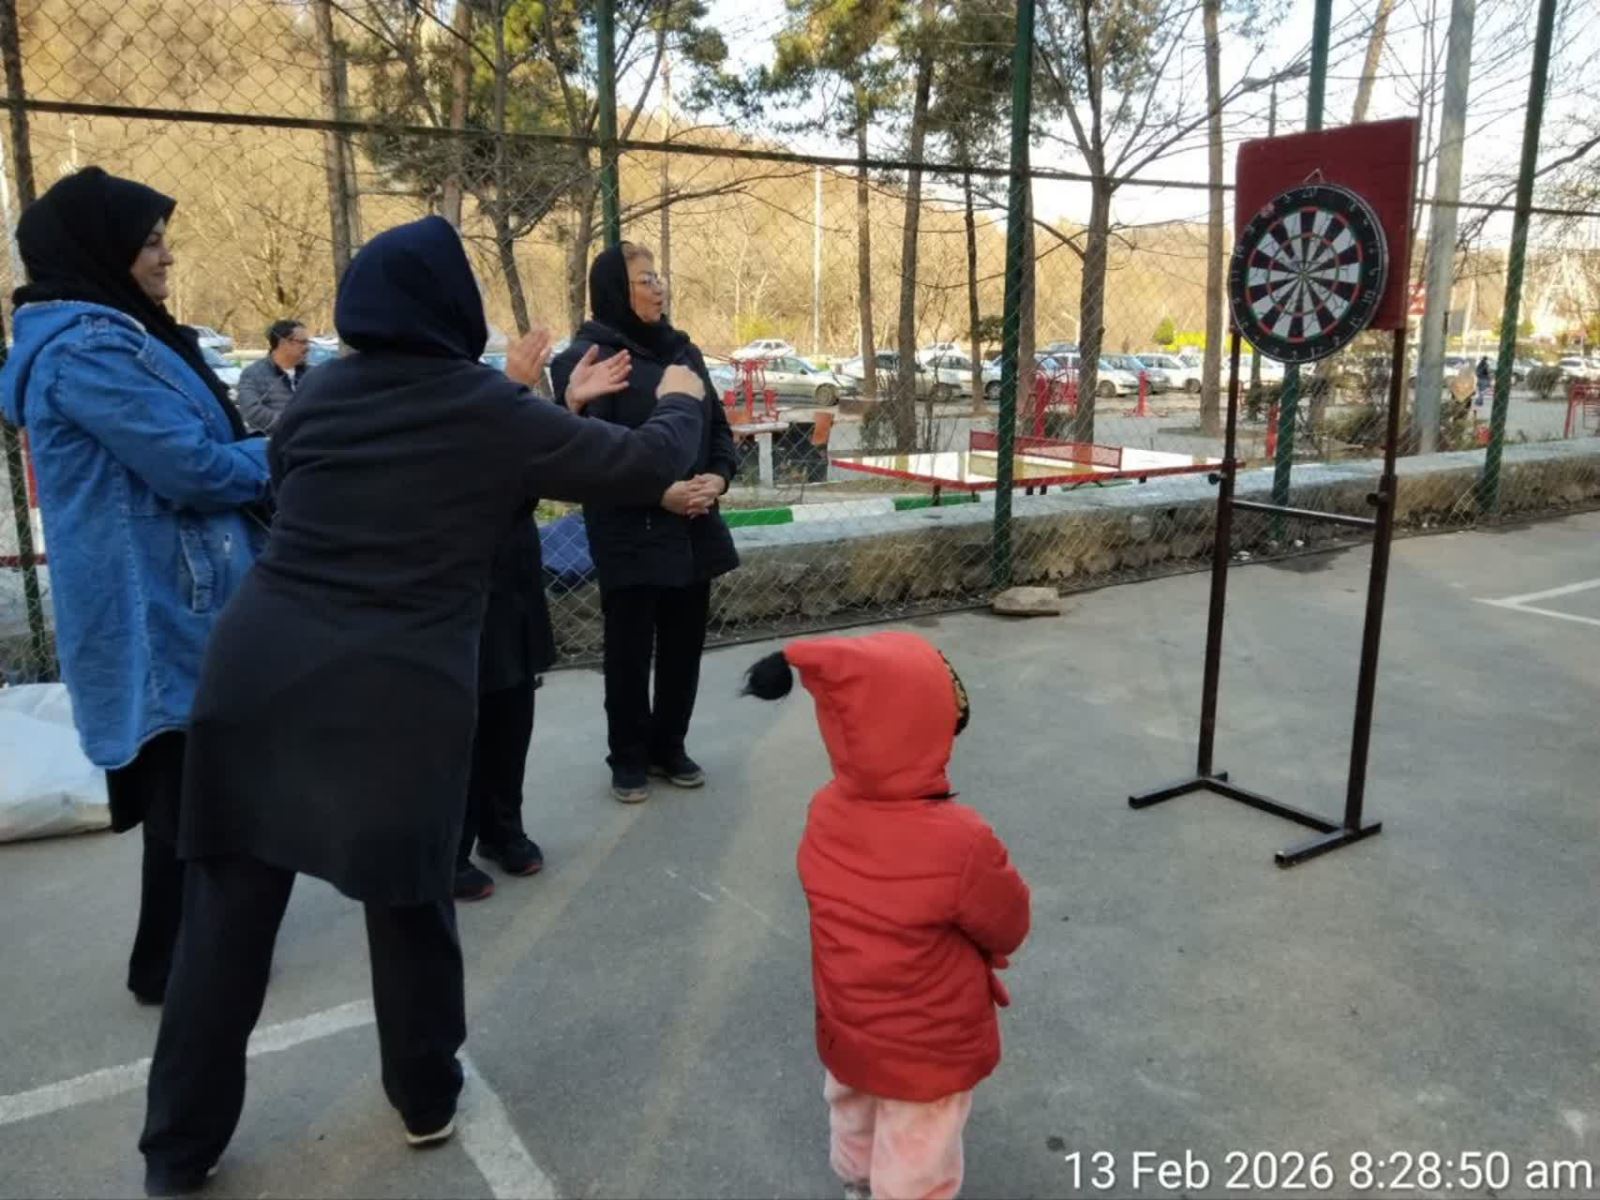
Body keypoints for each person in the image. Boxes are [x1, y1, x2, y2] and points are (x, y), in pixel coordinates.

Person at [138, 215, 707, 1194]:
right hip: (395, 688)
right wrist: (680, 404)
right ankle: (425, 1096)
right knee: (406, 900)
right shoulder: (481, 405)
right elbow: (640, 468)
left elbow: (305, 483)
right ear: (452, 308)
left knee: (224, 917)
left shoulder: (319, 393)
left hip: (255, 670)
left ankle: (176, 1152)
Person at [0, 167, 270, 1006]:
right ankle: (179, 968)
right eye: (149, 243)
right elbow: (193, 469)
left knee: (195, 794)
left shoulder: (121, 334)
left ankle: (178, 957)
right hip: (155, 610)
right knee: (191, 799)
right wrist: (286, 451)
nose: (166, 257)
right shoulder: (89, 351)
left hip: (176, 598)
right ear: (101, 250)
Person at [743, 632, 1031, 1200]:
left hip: (849, 1021)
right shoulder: (960, 840)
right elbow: (1009, 924)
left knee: (854, 1104)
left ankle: (857, 1182)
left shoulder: (825, 810)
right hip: (928, 1039)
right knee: (919, 1139)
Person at [550, 242, 738, 804]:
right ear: (615, 290)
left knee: (684, 645)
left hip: (694, 521)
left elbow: (718, 430)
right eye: (645, 279)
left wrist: (717, 478)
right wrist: (661, 493)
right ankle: (628, 757)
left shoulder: (685, 351)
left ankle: (669, 746)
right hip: (629, 528)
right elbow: (593, 454)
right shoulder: (587, 358)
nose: (659, 287)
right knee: (629, 651)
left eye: (659, 277)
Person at [452, 509, 553, 901]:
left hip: (511, 556)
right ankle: (450, 850)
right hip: (444, 557)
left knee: (513, 702)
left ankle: (502, 829)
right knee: (459, 718)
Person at [234, 319, 310, 434]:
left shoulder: (313, 373)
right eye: (303, 342)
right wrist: (291, 425)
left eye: (308, 342)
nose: (308, 348)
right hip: (274, 441)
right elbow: (251, 411)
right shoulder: (253, 374)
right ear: (283, 343)